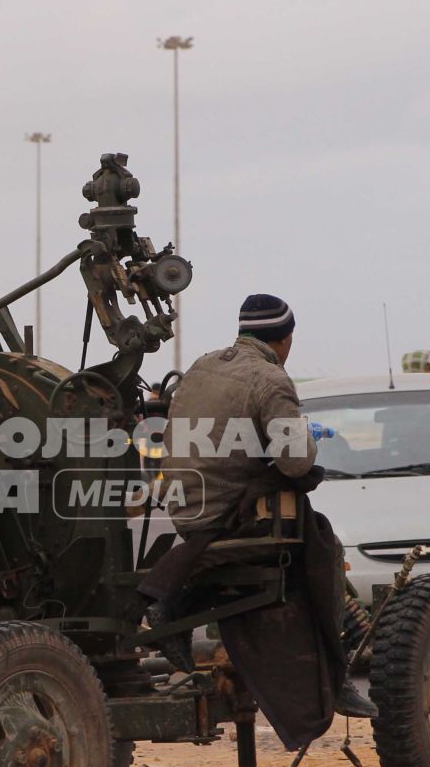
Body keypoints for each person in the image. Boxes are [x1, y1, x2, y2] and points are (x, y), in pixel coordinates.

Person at [150, 293, 376, 741]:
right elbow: (295, 461)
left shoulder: (202, 365)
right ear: (286, 339)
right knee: (323, 543)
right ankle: (338, 667)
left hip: (185, 510)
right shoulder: (269, 379)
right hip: (229, 515)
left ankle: (177, 605)